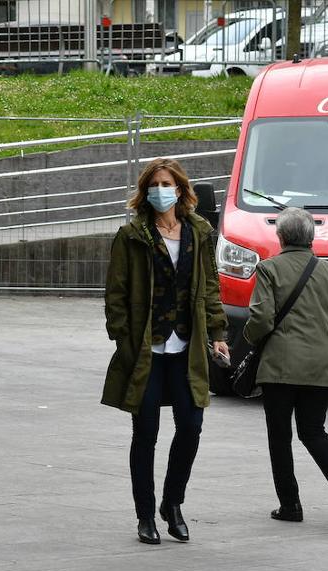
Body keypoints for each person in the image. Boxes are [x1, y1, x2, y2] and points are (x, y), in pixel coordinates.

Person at [102, 158, 230, 545]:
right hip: (146, 350)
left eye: (167, 184)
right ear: (145, 191)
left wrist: (218, 332)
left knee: (191, 426)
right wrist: (124, 339)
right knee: (146, 433)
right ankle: (145, 515)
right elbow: (116, 294)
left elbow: (210, 287)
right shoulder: (132, 235)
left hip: (186, 348)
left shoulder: (199, 232)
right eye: (154, 184)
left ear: (180, 189)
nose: (161, 190)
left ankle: (172, 504)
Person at [243, 207, 328, 524]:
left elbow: (261, 318)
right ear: (311, 237)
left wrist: (247, 338)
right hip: (320, 368)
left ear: (281, 236)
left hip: (279, 368)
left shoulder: (269, 269)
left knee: (279, 437)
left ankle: (291, 506)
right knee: (312, 430)